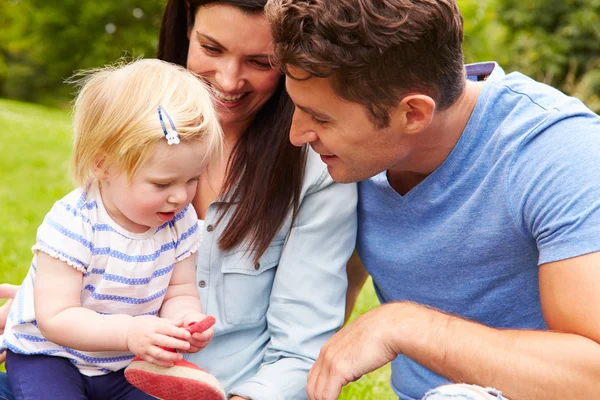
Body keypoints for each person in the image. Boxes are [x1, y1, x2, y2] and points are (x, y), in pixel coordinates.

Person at [0, 0, 358, 399]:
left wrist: (187, 321)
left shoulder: (316, 171)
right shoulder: (107, 175)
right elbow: (63, 309)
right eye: (212, 48)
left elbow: (296, 348)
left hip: (171, 377)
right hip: (67, 358)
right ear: (187, 25)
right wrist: (66, 302)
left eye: (261, 62)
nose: (227, 80)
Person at [265, 0, 600, 399]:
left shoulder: (557, 154)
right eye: (298, 108)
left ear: (413, 114)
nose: (296, 134)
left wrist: (405, 325)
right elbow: (310, 317)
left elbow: (592, 375)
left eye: (320, 118)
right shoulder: (346, 158)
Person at [0, 58, 224, 399]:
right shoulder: (75, 222)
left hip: (123, 364)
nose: (180, 196)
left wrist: (185, 321)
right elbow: (56, 317)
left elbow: (179, 292)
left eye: (192, 179)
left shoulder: (180, 223)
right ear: (104, 165)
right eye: (162, 183)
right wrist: (130, 331)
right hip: (49, 355)